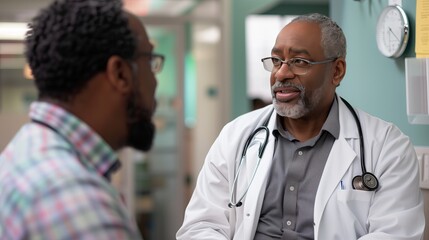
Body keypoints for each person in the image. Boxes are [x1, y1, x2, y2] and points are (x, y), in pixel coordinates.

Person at [177, 13, 424, 240]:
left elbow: (395, 234)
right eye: (276, 60)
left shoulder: (388, 146)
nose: (281, 73)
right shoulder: (236, 136)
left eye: (299, 61)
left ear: (336, 72)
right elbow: (200, 226)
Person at [0, 0, 165, 239]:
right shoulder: (78, 202)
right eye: (149, 61)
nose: (155, 81)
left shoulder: (22, 154)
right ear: (120, 73)